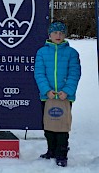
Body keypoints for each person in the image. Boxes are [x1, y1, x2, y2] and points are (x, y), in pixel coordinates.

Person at [34, 20, 81, 167]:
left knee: (61, 126)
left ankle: (62, 153)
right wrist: (46, 90)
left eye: (61, 33)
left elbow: (75, 73)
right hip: (47, 96)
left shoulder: (72, 53)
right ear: (50, 34)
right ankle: (51, 150)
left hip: (64, 97)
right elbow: (39, 73)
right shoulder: (41, 52)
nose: (58, 35)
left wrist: (67, 91)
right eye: (55, 32)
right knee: (48, 125)